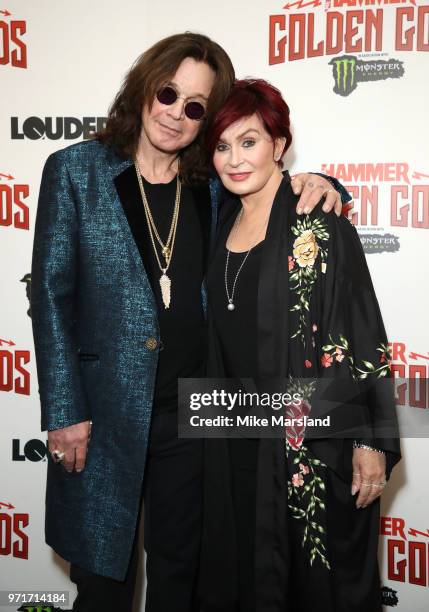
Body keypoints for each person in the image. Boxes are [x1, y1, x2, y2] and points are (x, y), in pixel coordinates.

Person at [31, 33, 350, 612]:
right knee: (102, 585)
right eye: (168, 93)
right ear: (144, 89)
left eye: (196, 107)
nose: (177, 113)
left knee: (184, 578)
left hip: (195, 415)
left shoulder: (211, 187)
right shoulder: (75, 171)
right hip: (100, 416)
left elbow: (274, 192)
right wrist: (64, 411)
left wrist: (324, 184)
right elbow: (50, 298)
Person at [200, 79, 401, 612]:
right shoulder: (220, 219)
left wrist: (370, 441)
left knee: (317, 589)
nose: (235, 159)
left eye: (250, 142)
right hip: (235, 439)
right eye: (223, 146)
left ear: (279, 144)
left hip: (314, 445)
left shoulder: (319, 219)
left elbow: (364, 330)